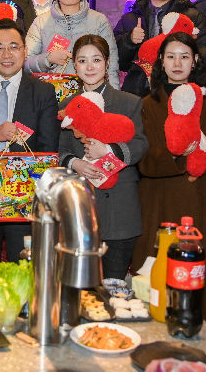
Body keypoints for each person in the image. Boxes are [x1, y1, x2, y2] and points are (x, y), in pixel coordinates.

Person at [133, 32, 206, 334]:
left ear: (195, 62)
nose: (177, 63)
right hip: (160, 204)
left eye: (184, 56)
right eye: (171, 56)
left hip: (203, 205)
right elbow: (144, 158)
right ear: (161, 62)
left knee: (204, 286)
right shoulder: (147, 105)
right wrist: (178, 155)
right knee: (157, 283)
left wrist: (200, 155)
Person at [0, 18, 60, 276]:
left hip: (24, 195)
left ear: (25, 51)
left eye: (14, 47)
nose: (6, 54)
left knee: (23, 272)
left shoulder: (43, 91)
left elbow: (49, 147)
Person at [57, 34, 148, 280]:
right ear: (74, 65)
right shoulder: (67, 105)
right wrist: (75, 163)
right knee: (80, 287)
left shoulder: (129, 103)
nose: (89, 67)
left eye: (96, 60)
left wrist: (108, 151)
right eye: (82, 60)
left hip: (119, 209)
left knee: (113, 287)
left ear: (107, 63)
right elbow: (58, 150)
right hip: (80, 209)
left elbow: (140, 145)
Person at [113, 0, 206, 98]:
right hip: (137, 94)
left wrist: (185, 57)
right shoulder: (130, 19)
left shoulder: (192, 17)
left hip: (178, 93)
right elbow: (116, 60)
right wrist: (129, 41)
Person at [25, 0, 120, 86]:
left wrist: (113, 96)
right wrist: (48, 59)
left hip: (90, 93)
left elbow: (111, 65)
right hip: (51, 94)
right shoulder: (41, 22)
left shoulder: (99, 21)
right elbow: (24, 63)